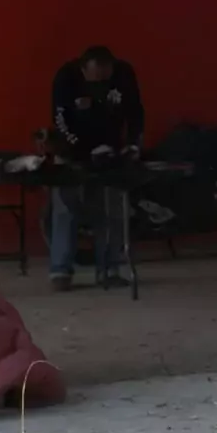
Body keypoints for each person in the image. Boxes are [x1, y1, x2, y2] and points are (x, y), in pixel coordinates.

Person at [48, 45, 144, 291]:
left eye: (105, 76)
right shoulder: (66, 77)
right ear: (83, 70)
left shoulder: (123, 74)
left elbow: (135, 112)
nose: (101, 83)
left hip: (110, 149)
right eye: (95, 77)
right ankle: (60, 271)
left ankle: (110, 269)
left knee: (111, 211)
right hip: (72, 150)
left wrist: (133, 144)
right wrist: (83, 151)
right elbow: (61, 122)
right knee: (65, 210)